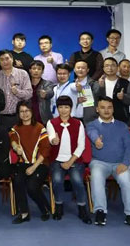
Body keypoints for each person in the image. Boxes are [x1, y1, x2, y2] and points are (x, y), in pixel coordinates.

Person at [86, 96, 130, 226]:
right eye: (103, 107)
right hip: (99, 162)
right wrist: (97, 140)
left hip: (120, 163)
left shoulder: (122, 126)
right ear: (97, 109)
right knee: (96, 177)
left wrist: (125, 163)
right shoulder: (91, 125)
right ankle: (100, 211)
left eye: (109, 107)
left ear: (113, 109)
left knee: (127, 181)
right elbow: (92, 133)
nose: (106, 110)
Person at [46, 96, 91, 224]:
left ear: (71, 108)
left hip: (74, 160)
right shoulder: (51, 123)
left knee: (78, 182)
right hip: (57, 160)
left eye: (66, 107)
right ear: (57, 108)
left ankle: (82, 208)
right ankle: (59, 206)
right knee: (57, 181)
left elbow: (81, 146)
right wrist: (54, 141)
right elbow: (51, 137)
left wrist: (70, 162)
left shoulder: (78, 123)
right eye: (60, 107)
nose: (63, 110)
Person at [9, 101, 51, 224]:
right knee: (17, 180)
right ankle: (24, 213)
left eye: (27, 110)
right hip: (23, 163)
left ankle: (45, 209)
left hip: (40, 164)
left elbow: (45, 150)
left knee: (32, 186)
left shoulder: (40, 128)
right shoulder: (16, 128)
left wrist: (33, 167)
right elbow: (12, 138)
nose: (25, 114)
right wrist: (16, 147)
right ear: (18, 114)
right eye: (21, 111)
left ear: (32, 112)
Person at [0, 50, 32, 131]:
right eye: (2, 59)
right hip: (1, 117)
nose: (5, 62)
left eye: (7, 58)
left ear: (12, 59)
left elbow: (29, 94)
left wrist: (17, 92)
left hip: (19, 117)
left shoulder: (23, 74)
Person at [97, 57, 130, 123]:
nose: (110, 68)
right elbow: (94, 100)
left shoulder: (125, 82)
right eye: (107, 66)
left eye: (113, 65)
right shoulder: (98, 82)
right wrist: (100, 87)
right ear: (103, 68)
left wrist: (123, 97)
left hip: (120, 117)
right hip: (102, 118)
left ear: (117, 68)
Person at [28, 61, 55, 125]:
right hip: (28, 118)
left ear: (42, 71)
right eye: (34, 68)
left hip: (43, 119)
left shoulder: (48, 84)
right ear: (30, 70)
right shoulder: (26, 84)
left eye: (39, 69)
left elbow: (50, 92)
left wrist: (45, 94)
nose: (36, 71)